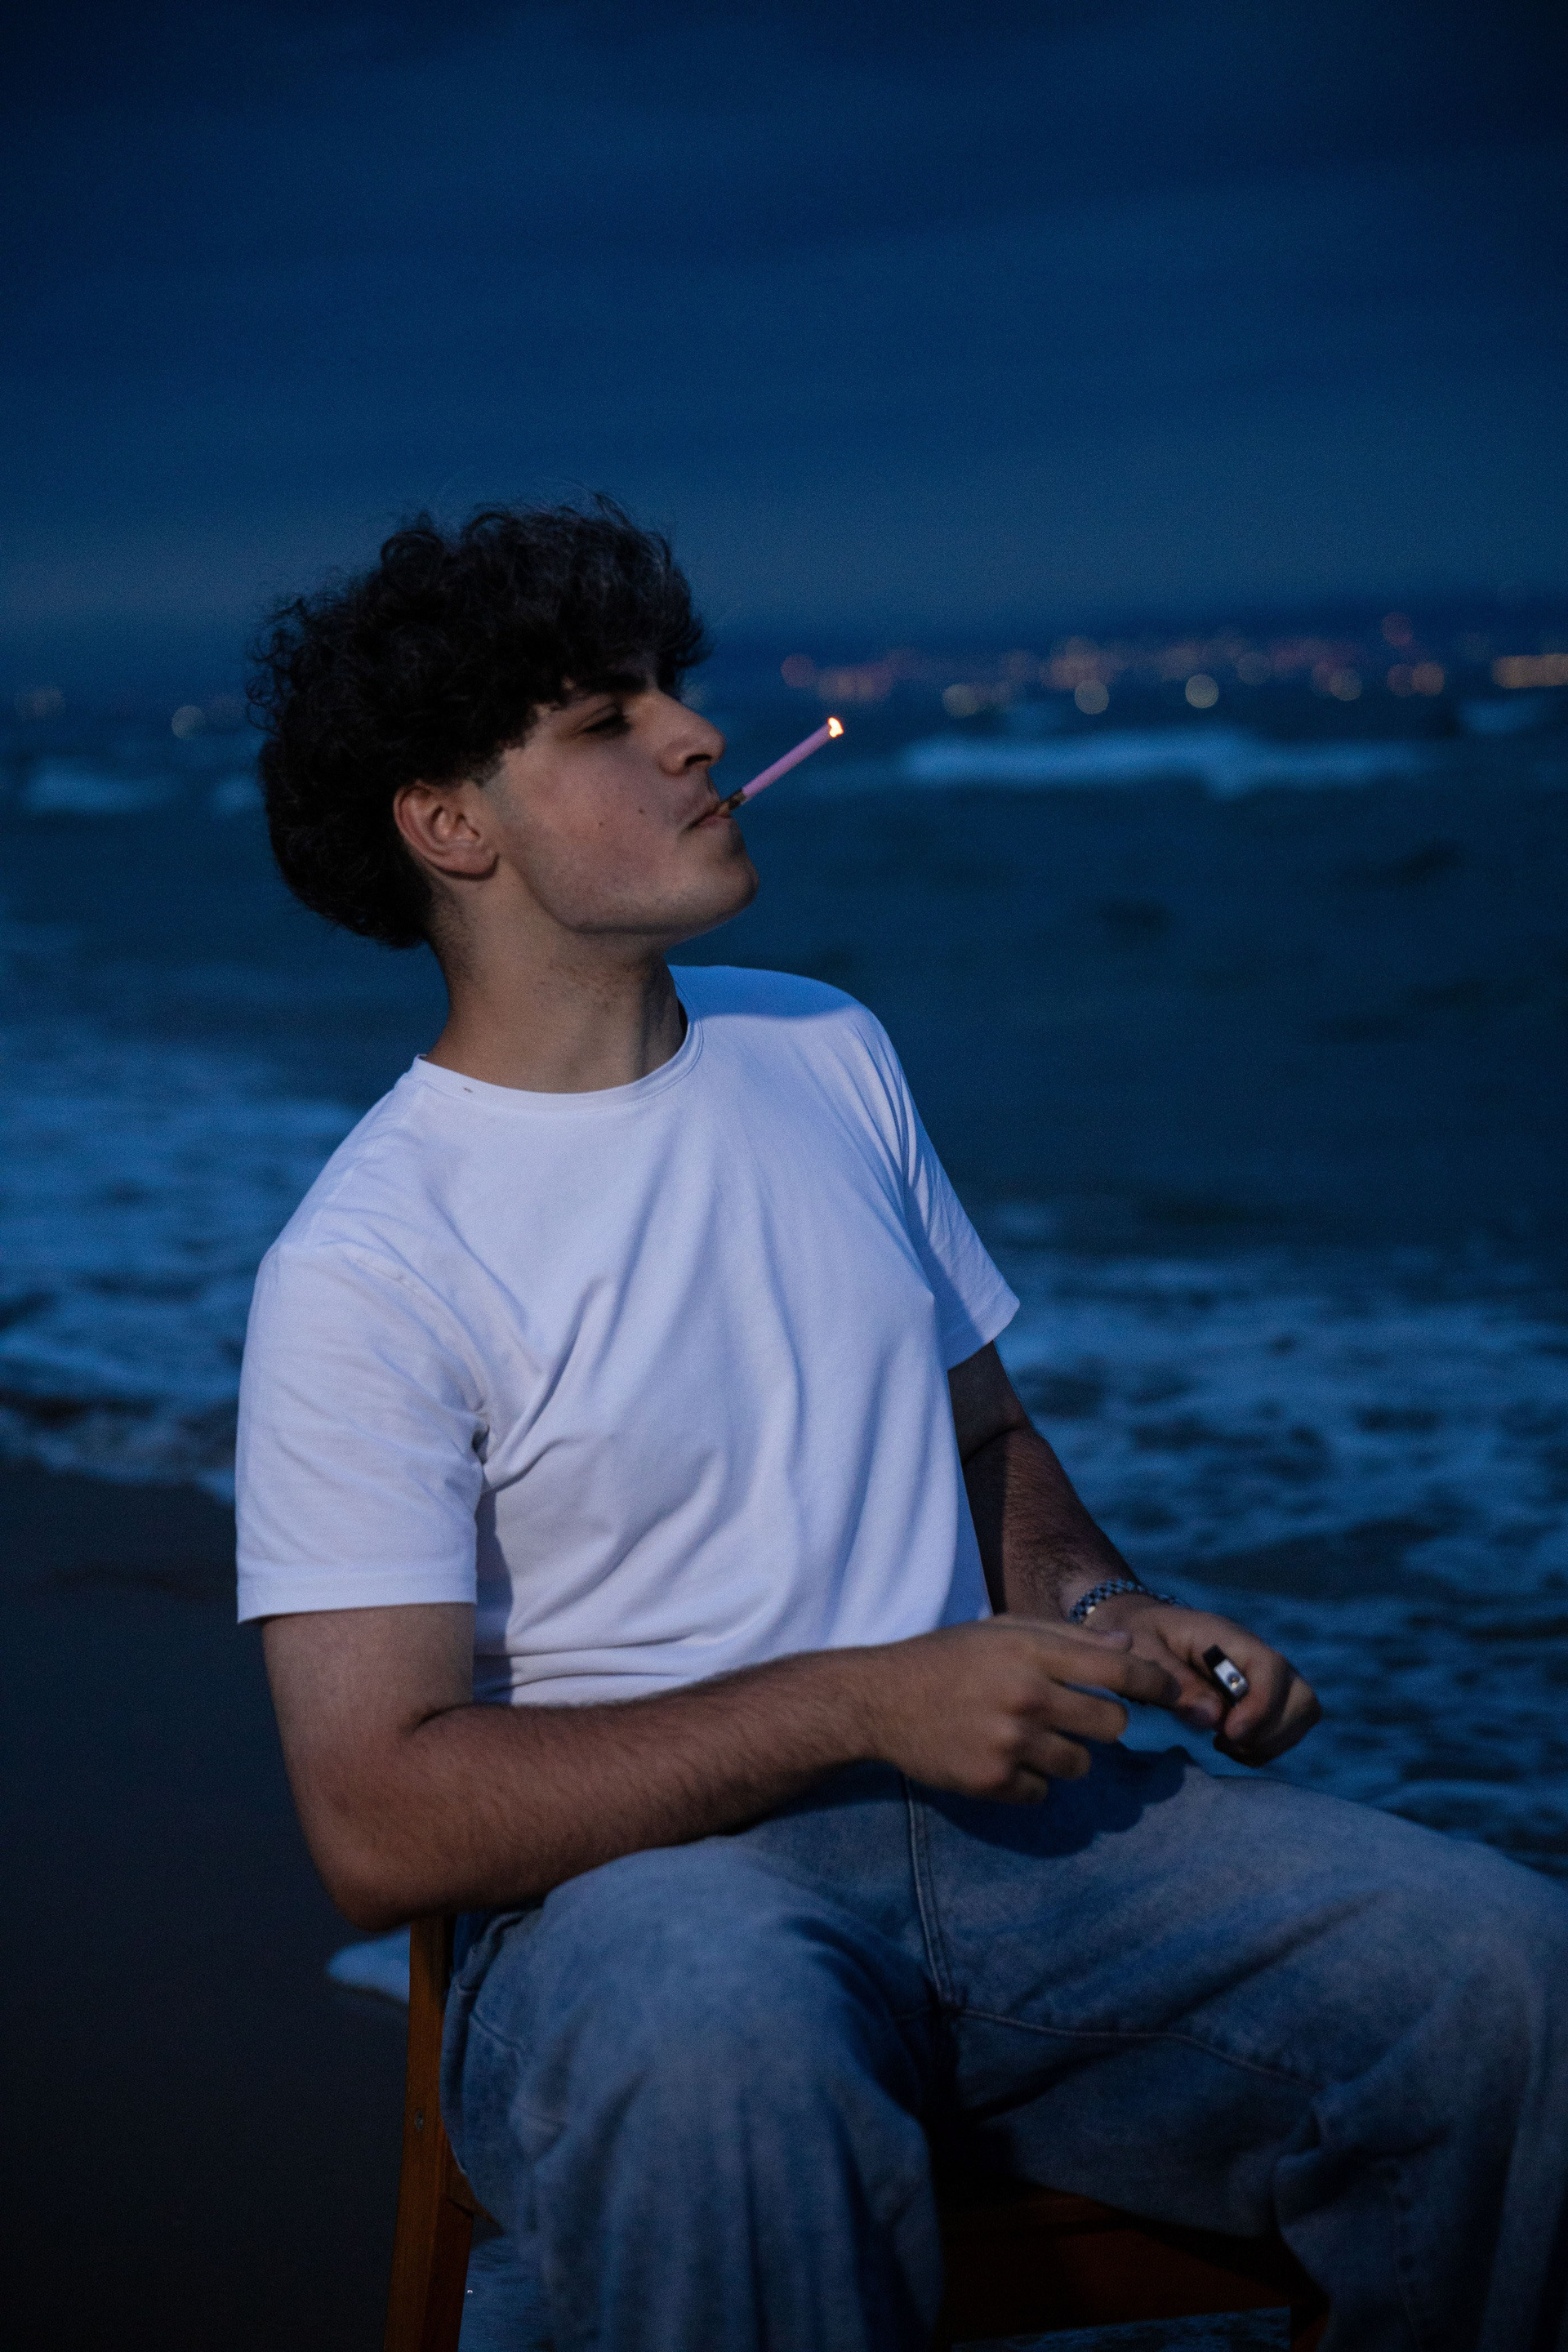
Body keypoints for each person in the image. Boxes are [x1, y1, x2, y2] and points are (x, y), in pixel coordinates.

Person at [239, 501, 1567, 2352]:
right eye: (607, 721)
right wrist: (863, 1701)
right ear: (452, 826)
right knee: (723, 2056)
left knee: (1502, 1975)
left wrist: (1105, 1612)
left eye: (672, 690)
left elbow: (984, 1441)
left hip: (1017, 1850)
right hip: (632, 1910)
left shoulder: (825, 1050)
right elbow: (378, 1819)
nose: (697, 734)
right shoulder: (368, 1265)